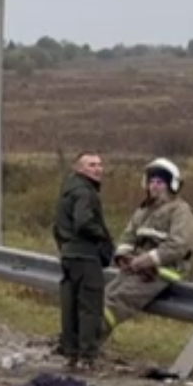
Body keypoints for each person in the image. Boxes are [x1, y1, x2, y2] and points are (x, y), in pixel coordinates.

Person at [105, 157, 193, 339]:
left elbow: (178, 245)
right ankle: (79, 342)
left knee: (116, 302)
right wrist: (123, 257)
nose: (154, 186)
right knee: (105, 296)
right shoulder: (143, 210)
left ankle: (85, 343)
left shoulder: (180, 211)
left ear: (171, 185)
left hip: (163, 271)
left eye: (160, 182)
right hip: (137, 268)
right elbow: (128, 237)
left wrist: (146, 260)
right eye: (152, 182)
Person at [52, 151, 115, 370]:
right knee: (90, 307)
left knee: (70, 307)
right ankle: (87, 356)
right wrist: (103, 236)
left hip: (69, 256)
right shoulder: (85, 192)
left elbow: (57, 227)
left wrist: (64, 247)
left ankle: (71, 353)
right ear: (80, 169)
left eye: (99, 164)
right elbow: (83, 222)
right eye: (91, 165)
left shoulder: (67, 190)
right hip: (86, 256)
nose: (98, 169)